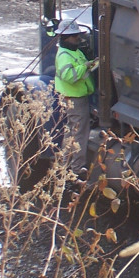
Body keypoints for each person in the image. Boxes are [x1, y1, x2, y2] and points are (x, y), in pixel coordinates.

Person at [54, 28, 98, 176]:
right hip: (75, 98)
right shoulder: (64, 56)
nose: (79, 39)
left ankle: (64, 165)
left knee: (71, 132)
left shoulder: (74, 51)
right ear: (67, 38)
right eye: (75, 36)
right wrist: (86, 66)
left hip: (76, 97)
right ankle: (77, 169)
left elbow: (83, 70)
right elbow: (70, 76)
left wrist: (93, 64)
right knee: (79, 133)